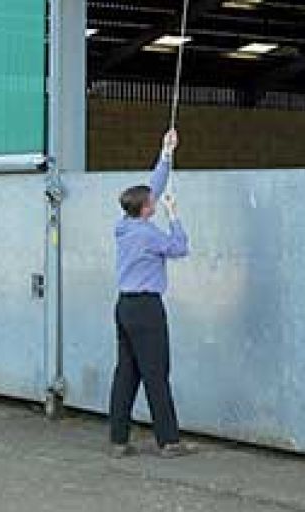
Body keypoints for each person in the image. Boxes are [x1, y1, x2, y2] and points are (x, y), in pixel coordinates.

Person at [108, 128, 195, 458]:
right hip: (147, 309)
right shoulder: (148, 235)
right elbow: (180, 248)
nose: (155, 201)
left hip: (124, 307)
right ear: (146, 209)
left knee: (126, 373)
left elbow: (153, 186)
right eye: (153, 203)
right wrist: (174, 216)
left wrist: (166, 152)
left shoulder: (124, 225)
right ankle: (169, 441)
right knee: (156, 373)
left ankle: (119, 440)